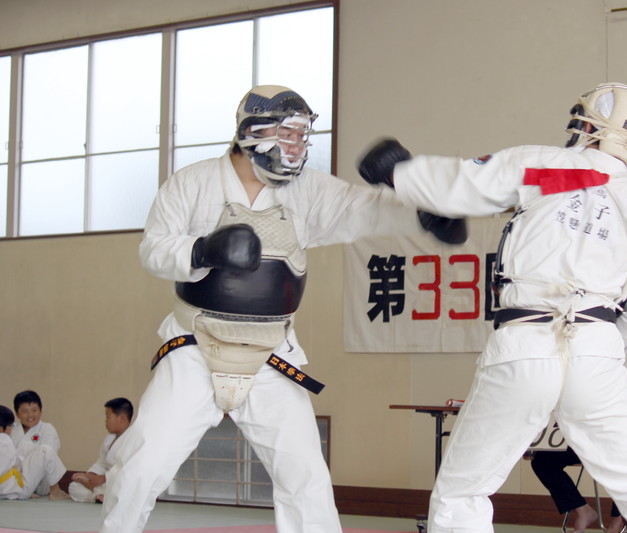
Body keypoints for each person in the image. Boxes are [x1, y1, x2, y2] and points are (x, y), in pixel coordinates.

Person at [101, 85, 465, 533]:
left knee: (306, 478)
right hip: (195, 344)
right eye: (286, 134)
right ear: (251, 131)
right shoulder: (191, 182)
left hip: (273, 353)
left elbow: (366, 210)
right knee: (142, 465)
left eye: (301, 136)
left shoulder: (308, 190)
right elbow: (152, 249)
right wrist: (202, 250)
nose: (296, 146)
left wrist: (424, 206)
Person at [357, 83, 627, 533]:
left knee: (464, 491)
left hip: (525, 341)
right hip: (597, 349)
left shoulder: (552, 169)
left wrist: (402, 173)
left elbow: (467, 185)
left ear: (587, 126)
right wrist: (610, 331)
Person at [531, 448, 627, 533]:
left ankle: (617, 523)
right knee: (542, 461)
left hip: (615, 446)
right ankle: (583, 510)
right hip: (586, 441)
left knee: (625, 461)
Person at [69, 397, 133, 504]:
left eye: (108, 417)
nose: (105, 421)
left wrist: (105, 478)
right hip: (104, 483)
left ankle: (98, 494)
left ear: (121, 418)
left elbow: (128, 469)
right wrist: (89, 475)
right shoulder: (109, 439)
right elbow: (102, 463)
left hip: (120, 483)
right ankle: (98, 496)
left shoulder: (133, 440)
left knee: (117, 487)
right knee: (74, 486)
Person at [0, 405, 69, 500]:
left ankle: (25, 491)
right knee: (45, 451)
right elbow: (12, 464)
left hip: (5, 489)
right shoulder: (4, 439)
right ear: (0, 428)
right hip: (14, 490)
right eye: (10, 426)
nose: (11, 429)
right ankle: (55, 492)